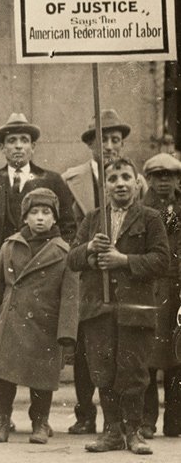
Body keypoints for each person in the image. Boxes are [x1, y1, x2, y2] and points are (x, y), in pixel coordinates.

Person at [0, 112, 75, 433]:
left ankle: (38, 421)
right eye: (11, 141)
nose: (18, 147)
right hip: (6, 277)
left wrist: (55, 257)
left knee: (37, 358)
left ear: (33, 146)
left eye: (25, 141)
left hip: (44, 279)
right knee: (0, 353)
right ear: (1, 147)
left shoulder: (52, 180)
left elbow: (70, 227)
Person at [68, 158, 169, 455]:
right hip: (99, 309)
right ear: (106, 186)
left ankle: (134, 432)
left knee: (133, 371)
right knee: (103, 370)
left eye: (126, 177)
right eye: (113, 179)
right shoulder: (92, 219)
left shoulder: (150, 218)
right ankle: (112, 432)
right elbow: (72, 260)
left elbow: (162, 261)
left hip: (134, 310)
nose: (120, 183)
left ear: (138, 183)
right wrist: (89, 250)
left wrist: (123, 261)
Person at [61, 109, 146, 434]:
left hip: (124, 281)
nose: (109, 146)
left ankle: (131, 424)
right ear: (90, 144)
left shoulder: (133, 180)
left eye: (115, 140)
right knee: (89, 350)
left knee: (127, 357)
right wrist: (90, 254)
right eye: (102, 140)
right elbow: (71, 232)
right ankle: (87, 415)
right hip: (90, 280)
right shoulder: (73, 180)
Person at [140, 153, 181, 438]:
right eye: (157, 176)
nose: (163, 182)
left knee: (177, 358)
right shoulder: (141, 210)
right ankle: (147, 420)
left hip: (178, 291)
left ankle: (175, 420)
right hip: (151, 289)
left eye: (169, 176)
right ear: (149, 180)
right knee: (148, 358)